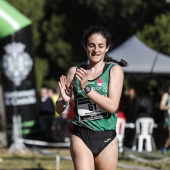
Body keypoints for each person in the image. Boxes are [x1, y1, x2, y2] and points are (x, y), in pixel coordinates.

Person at [56, 25, 127, 170]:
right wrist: (64, 100)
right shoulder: (74, 72)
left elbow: (113, 106)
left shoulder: (114, 71)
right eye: (92, 45)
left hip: (106, 137)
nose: (96, 50)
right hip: (81, 135)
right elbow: (58, 109)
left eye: (101, 46)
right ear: (85, 46)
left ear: (107, 48)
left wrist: (87, 89)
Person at [159, 85, 170, 155]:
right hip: (168, 118)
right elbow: (161, 106)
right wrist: (168, 107)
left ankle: (165, 147)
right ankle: (165, 147)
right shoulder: (166, 95)